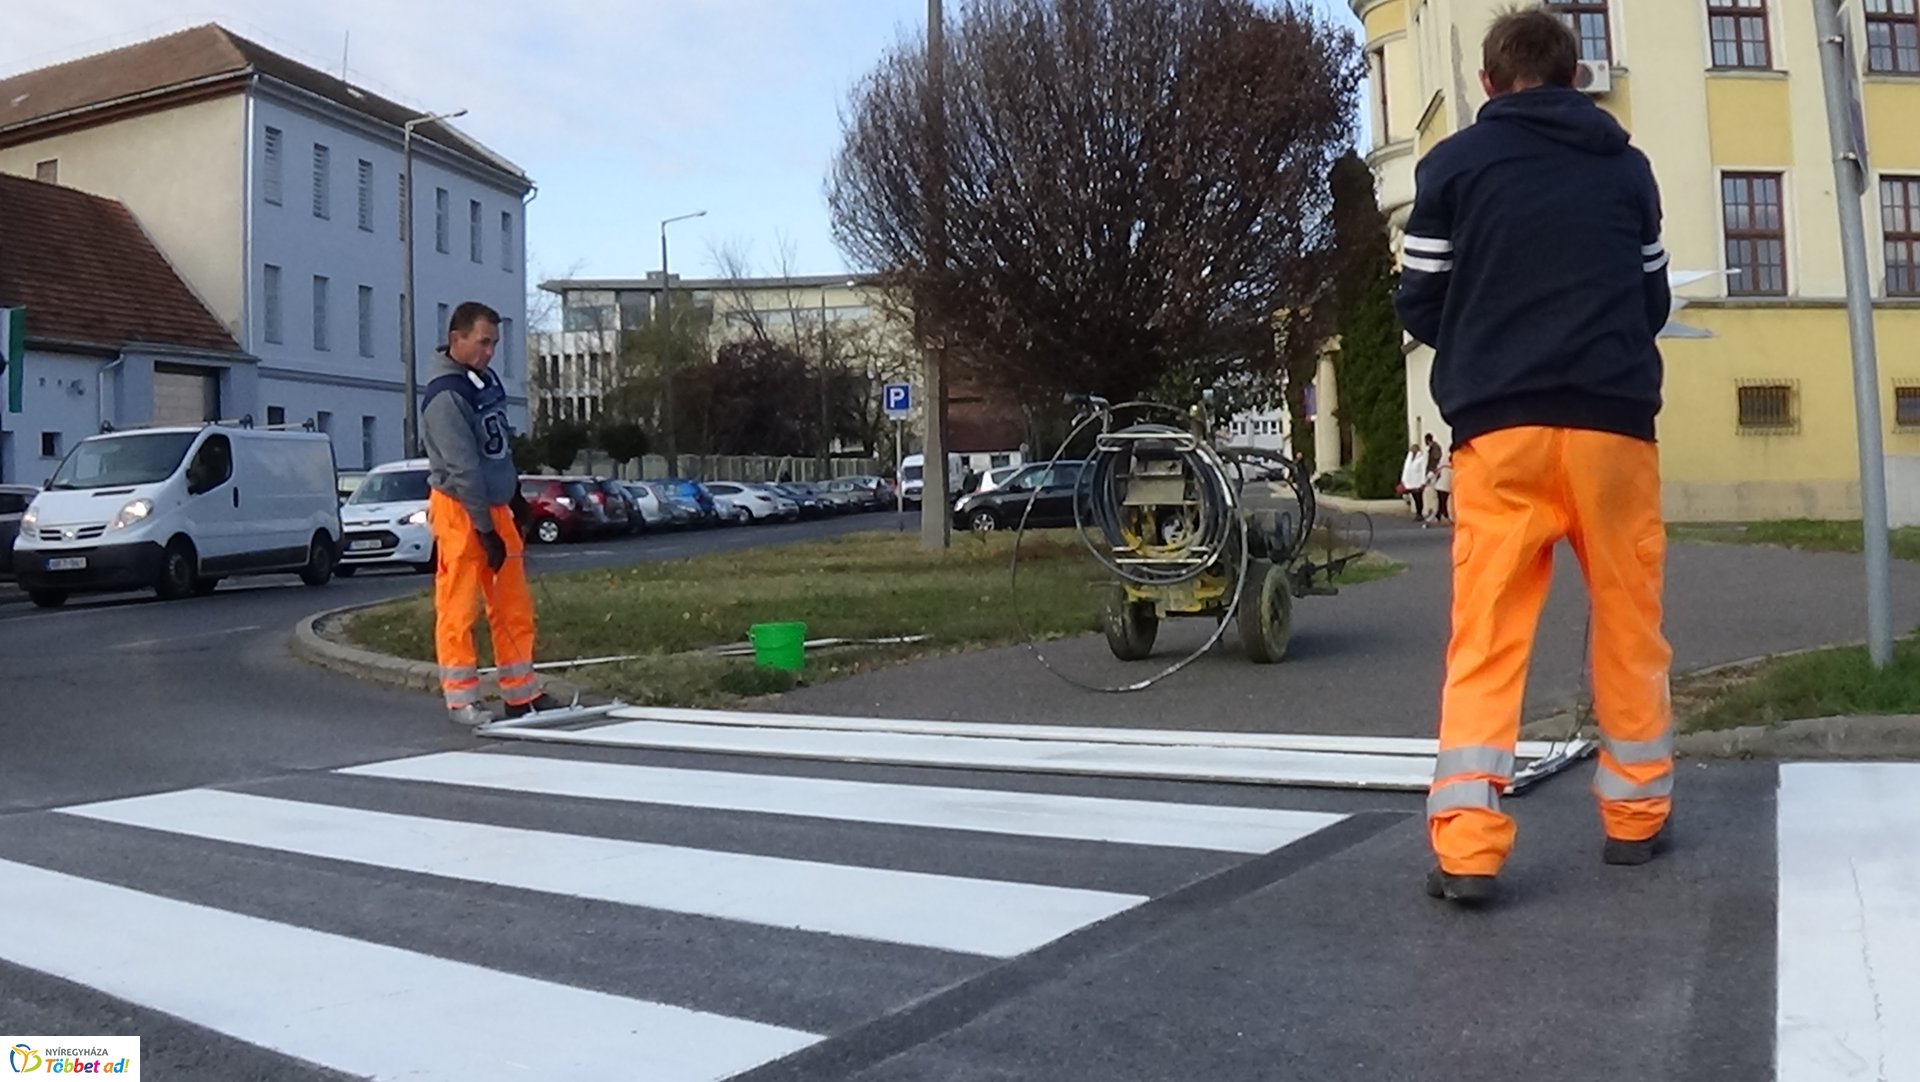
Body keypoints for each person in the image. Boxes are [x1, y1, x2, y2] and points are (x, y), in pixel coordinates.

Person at [1394, 9, 1675, 906]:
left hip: (1500, 430)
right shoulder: (1627, 169)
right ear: (1577, 75)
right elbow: (1653, 297)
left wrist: (1482, 347)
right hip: (1611, 427)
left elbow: (1417, 303)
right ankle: (1636, 819)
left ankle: (1469, 849)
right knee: (1631, 624)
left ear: (1486, 83)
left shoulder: (1453, 168)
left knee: (1487, 636)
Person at [420, 301, 562, 726]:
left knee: (512, 605)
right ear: (456, 339)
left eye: (494, 343)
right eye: (483, 342)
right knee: (460, 606)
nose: (489, 352)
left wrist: (514, 497)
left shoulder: (481, 381)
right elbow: (463, 467)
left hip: (494, 506)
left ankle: (521, 693)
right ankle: (461, 697)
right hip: (462, 510)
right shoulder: (446, 395)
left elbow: (497, 448)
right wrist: (484, 529)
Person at [1400, 444, 1429, 522]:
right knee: (1413, 498)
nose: (1412, 450)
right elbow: (1406, 468)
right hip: (1410, 481)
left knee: (1418, 498)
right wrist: (1403, 480)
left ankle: (1419, 514)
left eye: (1413, 449)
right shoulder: (1409, 457)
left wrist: (1423, 482)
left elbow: (1423, 469)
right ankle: (1417, 513)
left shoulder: (1421, 458)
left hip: (1418, 481)